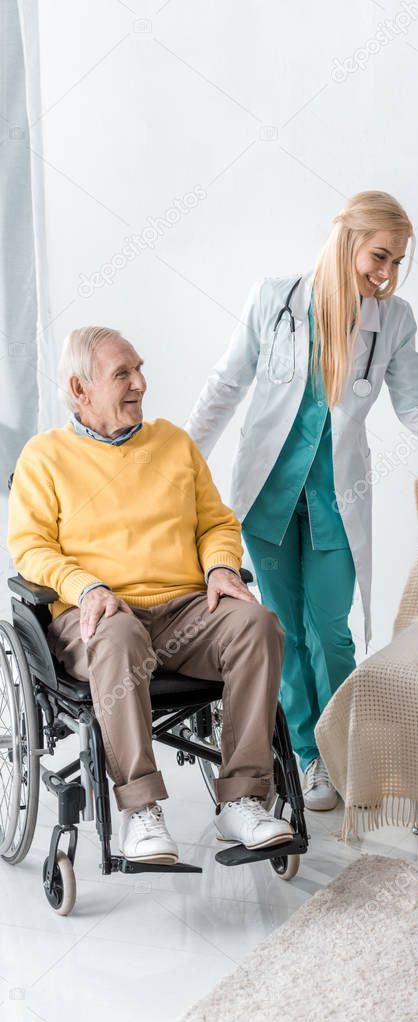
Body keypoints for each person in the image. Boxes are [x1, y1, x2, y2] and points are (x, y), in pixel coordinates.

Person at [185, 190, 418, 811]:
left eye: (396, 261)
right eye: (380, 256)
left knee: (330, 631)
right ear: (347, 240)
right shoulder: (273, 299)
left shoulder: (393, 320)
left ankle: (345, 747)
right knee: (279, 632)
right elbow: (226, 386)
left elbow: (416, 404)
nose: (386, 274)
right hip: (267, 500)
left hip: (338, 498)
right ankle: (309, 757)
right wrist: (178, 462)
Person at [8, 326, 294, 864]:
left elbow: (217, 523)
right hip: (97, 614)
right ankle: (141, 810)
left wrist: (219, 568)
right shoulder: (44, 457)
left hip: (185, 609)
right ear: (80, 388)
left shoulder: (174, 443)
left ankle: (243, 799)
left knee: (258, 624)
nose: (140, 383)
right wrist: (87, 587)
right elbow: (31, 549)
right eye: (123, 374)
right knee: (117, 638)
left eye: (140, 369)